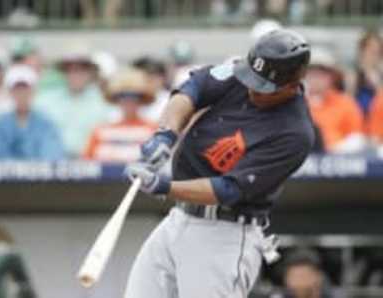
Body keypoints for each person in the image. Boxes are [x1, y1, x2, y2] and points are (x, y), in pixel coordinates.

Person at [124, 29, 314, 298]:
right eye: (251, 78)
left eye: (263, 87)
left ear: (292, 84)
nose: (251, 89)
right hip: (179, 219)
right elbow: (194, 88)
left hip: (225, 234)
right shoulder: (244, 72)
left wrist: (163, 186)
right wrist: (165, 133)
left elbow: (227, 190)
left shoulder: (294, 134)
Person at [35, 44, 114, 157]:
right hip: (52, 165)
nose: (75, 74)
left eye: (81, 69)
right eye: (70, 69)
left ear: (90, 72)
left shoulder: (104, 102)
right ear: (64, 72)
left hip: (91, 166)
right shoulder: (45, 101)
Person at [0, 65, 64, 161]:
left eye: (25, 88)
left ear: (33, 91)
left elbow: (52, 155)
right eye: (17, 89)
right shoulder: (0, 123)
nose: (21, 94)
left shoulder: (46, 123)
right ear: (10, 92)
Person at [84, 68, 157, 162]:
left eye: (134, 96)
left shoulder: (153, 130)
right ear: (116, 99)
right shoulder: (100, 131)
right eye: (123, 96)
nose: (128, 101)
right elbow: (86, 162)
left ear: (141, 100)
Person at [306, 47, 365, 153]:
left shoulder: (345, 103)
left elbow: (357, 138)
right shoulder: (295, 103)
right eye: (312, 73)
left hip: (339, 160)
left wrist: (336, 149)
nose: (316, 78)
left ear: (332, 77)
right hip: (301, 159)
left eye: (322, 74)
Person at [349, 30, 383, 115]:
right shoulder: (353, 75)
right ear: (362, 51)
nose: (374, 55)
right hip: (359, 117)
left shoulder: (380, 74)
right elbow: (348, 101)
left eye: (377, 52)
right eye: (371, 51)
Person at [133, 56, 170, 122]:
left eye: (153, 76)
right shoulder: (124, 99)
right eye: (144, 76)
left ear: (163, 78)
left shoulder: (170, 101)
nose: (148, 79)